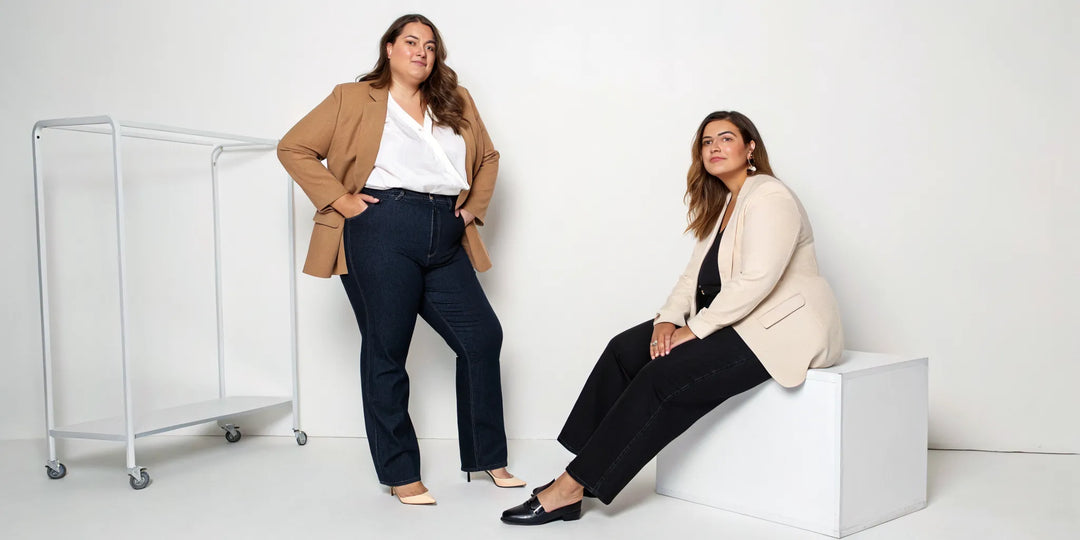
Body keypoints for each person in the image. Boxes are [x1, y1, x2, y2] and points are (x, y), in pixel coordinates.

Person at [501, 111, 843, 525]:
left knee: (661, 376)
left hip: (775, 331)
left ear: (750, 147)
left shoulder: (769, 196)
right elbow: (692, 276)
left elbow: (758, 280)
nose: (714, 147)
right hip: (734, 321)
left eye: (726, 138)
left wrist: (693, 331)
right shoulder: (725, 204)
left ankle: (569, 488)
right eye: (706, 142)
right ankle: (586, 465)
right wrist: (667, 320)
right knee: (626, 351)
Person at [278, 13, 523, 506]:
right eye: (411, 42)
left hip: (445, 227)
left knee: (481, 337)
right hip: (382, 227)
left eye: (430, 46)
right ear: (389, 48)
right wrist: (341, 200)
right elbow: (294, 147)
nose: (421, 52)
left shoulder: (455, 100)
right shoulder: (353, 97)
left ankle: (485, 457)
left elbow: (488, 157)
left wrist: (473, 208)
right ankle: (399, 471)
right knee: (387, 349)